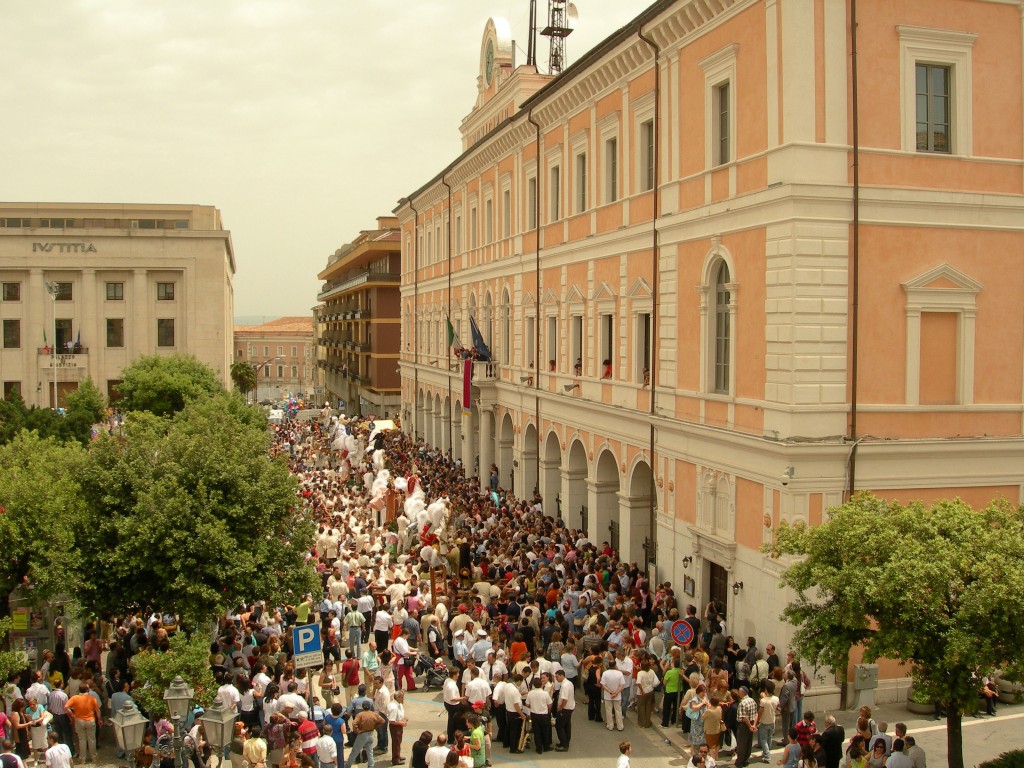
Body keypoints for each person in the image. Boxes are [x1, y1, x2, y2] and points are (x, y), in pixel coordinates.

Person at [66, 683, 101, 763]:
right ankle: (94, 757)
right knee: (92, 739)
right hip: (90, 720)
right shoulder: (92, 698)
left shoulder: (74, 698)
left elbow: (66, 707)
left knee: (82, 740)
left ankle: (82, 758)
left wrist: (72, 715)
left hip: (79, 720)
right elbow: (97, 710)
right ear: (87, 690)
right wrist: (99, 719)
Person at [350, 701, 384, 768]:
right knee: (369, 751)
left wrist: (357, 731)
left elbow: (354, 723)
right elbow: (382, 721)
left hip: (362, 733)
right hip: (370, 733)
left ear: (362, 707)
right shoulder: (374, 714)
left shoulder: (360, 715)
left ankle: (358, 760)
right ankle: (368, 763)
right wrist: (375, 727)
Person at [734, 687, 757, 768]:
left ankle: (739, 762)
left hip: (744, 725)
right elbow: (756, 714)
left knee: (741, 744)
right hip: (751, 722)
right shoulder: (752, 700)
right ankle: (746, 760)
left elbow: (744, 717)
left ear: (742, 692)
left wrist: (750, 726)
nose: (738, 693)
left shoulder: (742, 703)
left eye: (739, 691)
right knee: (748, 743)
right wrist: (754, 725)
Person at [600, 661, 626, 732]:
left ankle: (610, 726)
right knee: (618, 710)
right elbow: (622, 685)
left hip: (608, 695)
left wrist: (610, 692)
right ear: (615, 665)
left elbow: (603, 685)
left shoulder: (605, 673)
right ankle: (620, 726)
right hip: (617, 695)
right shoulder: (619, 673)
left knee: (608, 710)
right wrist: (616, 693)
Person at [387, 691, 408, 765]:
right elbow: (392, 721)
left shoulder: (398, 704)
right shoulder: (394, 707)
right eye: (402, 697)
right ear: (398, 697)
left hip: (398, 725)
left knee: (398, 742)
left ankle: (398, 755)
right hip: (395, 727)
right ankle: (395, 759)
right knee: (396, 743)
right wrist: (401, 723)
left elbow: (399, 715)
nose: (403, 699)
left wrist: (403, 718)